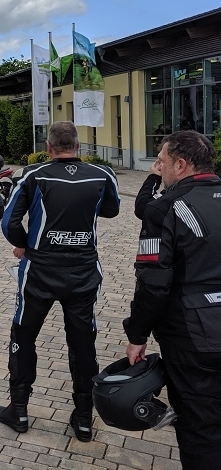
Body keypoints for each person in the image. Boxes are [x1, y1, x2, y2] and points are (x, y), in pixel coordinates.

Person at [0, 121, 120, 441]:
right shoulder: (102, 175)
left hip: (40, 270)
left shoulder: (33, 175)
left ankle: (19, 410)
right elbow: (111, 210)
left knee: (23, 334)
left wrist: (24, 243)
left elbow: (9, 222)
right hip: (83, 270)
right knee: (83, 342)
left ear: (48, 148)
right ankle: (84, 418)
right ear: (79, 146)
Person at [124, 130, 221, 469]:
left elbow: (153, 285)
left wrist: (137, 335)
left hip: (194, 338)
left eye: (162, 162)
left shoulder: (164, 208)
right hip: (199, 333)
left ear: (180, 165)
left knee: (199, 428)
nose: (159, 168)